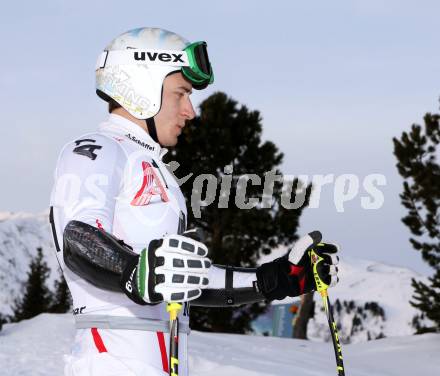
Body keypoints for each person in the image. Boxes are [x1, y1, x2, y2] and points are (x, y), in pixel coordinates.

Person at [49, 27, 340, 376]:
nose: (190, 111)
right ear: (142, 89)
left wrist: (276, 279)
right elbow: (77, 237)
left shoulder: (156, 169)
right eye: (181, 94)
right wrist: (135, 272)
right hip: (111, 363)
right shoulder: (97, 149)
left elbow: (181, 280)